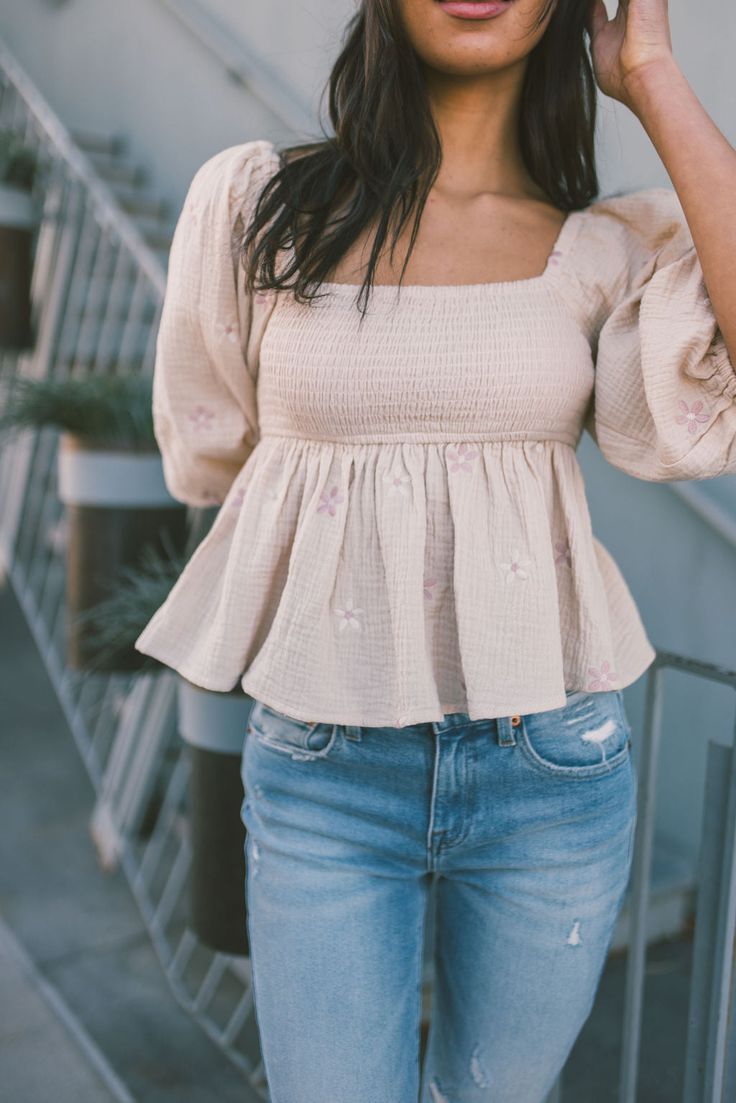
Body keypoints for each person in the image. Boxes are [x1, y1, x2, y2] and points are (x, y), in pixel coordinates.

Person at [134, 1, 736, 1099]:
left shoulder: (601, 248)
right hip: (325, 766)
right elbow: (213, 455)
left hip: (550, 764)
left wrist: (650, 74)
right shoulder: (259, 207)